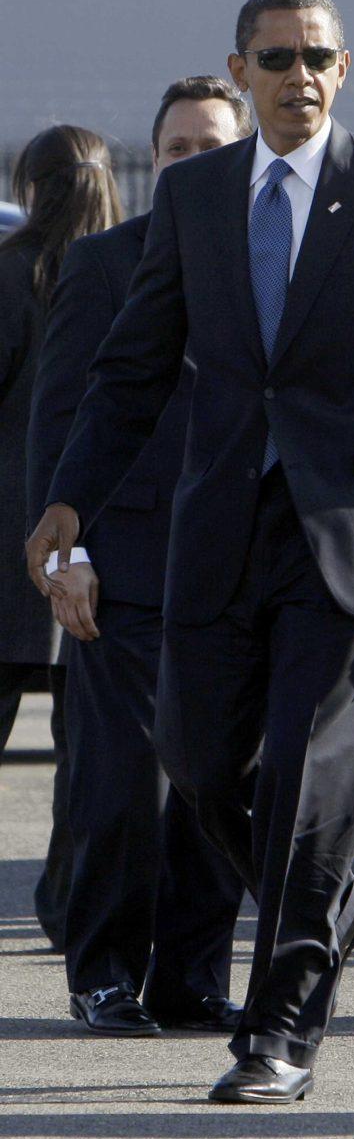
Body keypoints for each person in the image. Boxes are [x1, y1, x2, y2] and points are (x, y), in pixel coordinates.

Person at [27, 0, 354, 1102]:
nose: (299, 78)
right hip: (220, 529)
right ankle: (332, 901)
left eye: (317, 58)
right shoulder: (198, 201)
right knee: (193, 761)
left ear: (345, 68)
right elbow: (132, 371)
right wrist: (67, 505)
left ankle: (279, 1032)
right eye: (276, 59)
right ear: (240, 71)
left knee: (315, 784)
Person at [26, 77, 252, 1036]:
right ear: (151, 163)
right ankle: (104, 974)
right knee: (118, 787)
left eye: (211, 146)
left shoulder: (274, 263)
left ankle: (192, 977)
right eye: (176, 150)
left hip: (240, 562)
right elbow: (61, 423)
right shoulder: (104, 263)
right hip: (118, 566)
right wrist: (62, 556)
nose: (192, 163)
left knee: (217, 785)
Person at [0, 125, 123, 952]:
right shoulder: (131, 271)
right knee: (86, 748)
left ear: (31, 187)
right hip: (99, 538)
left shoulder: (10, 273)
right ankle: (62, 901)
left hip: (11, 536)